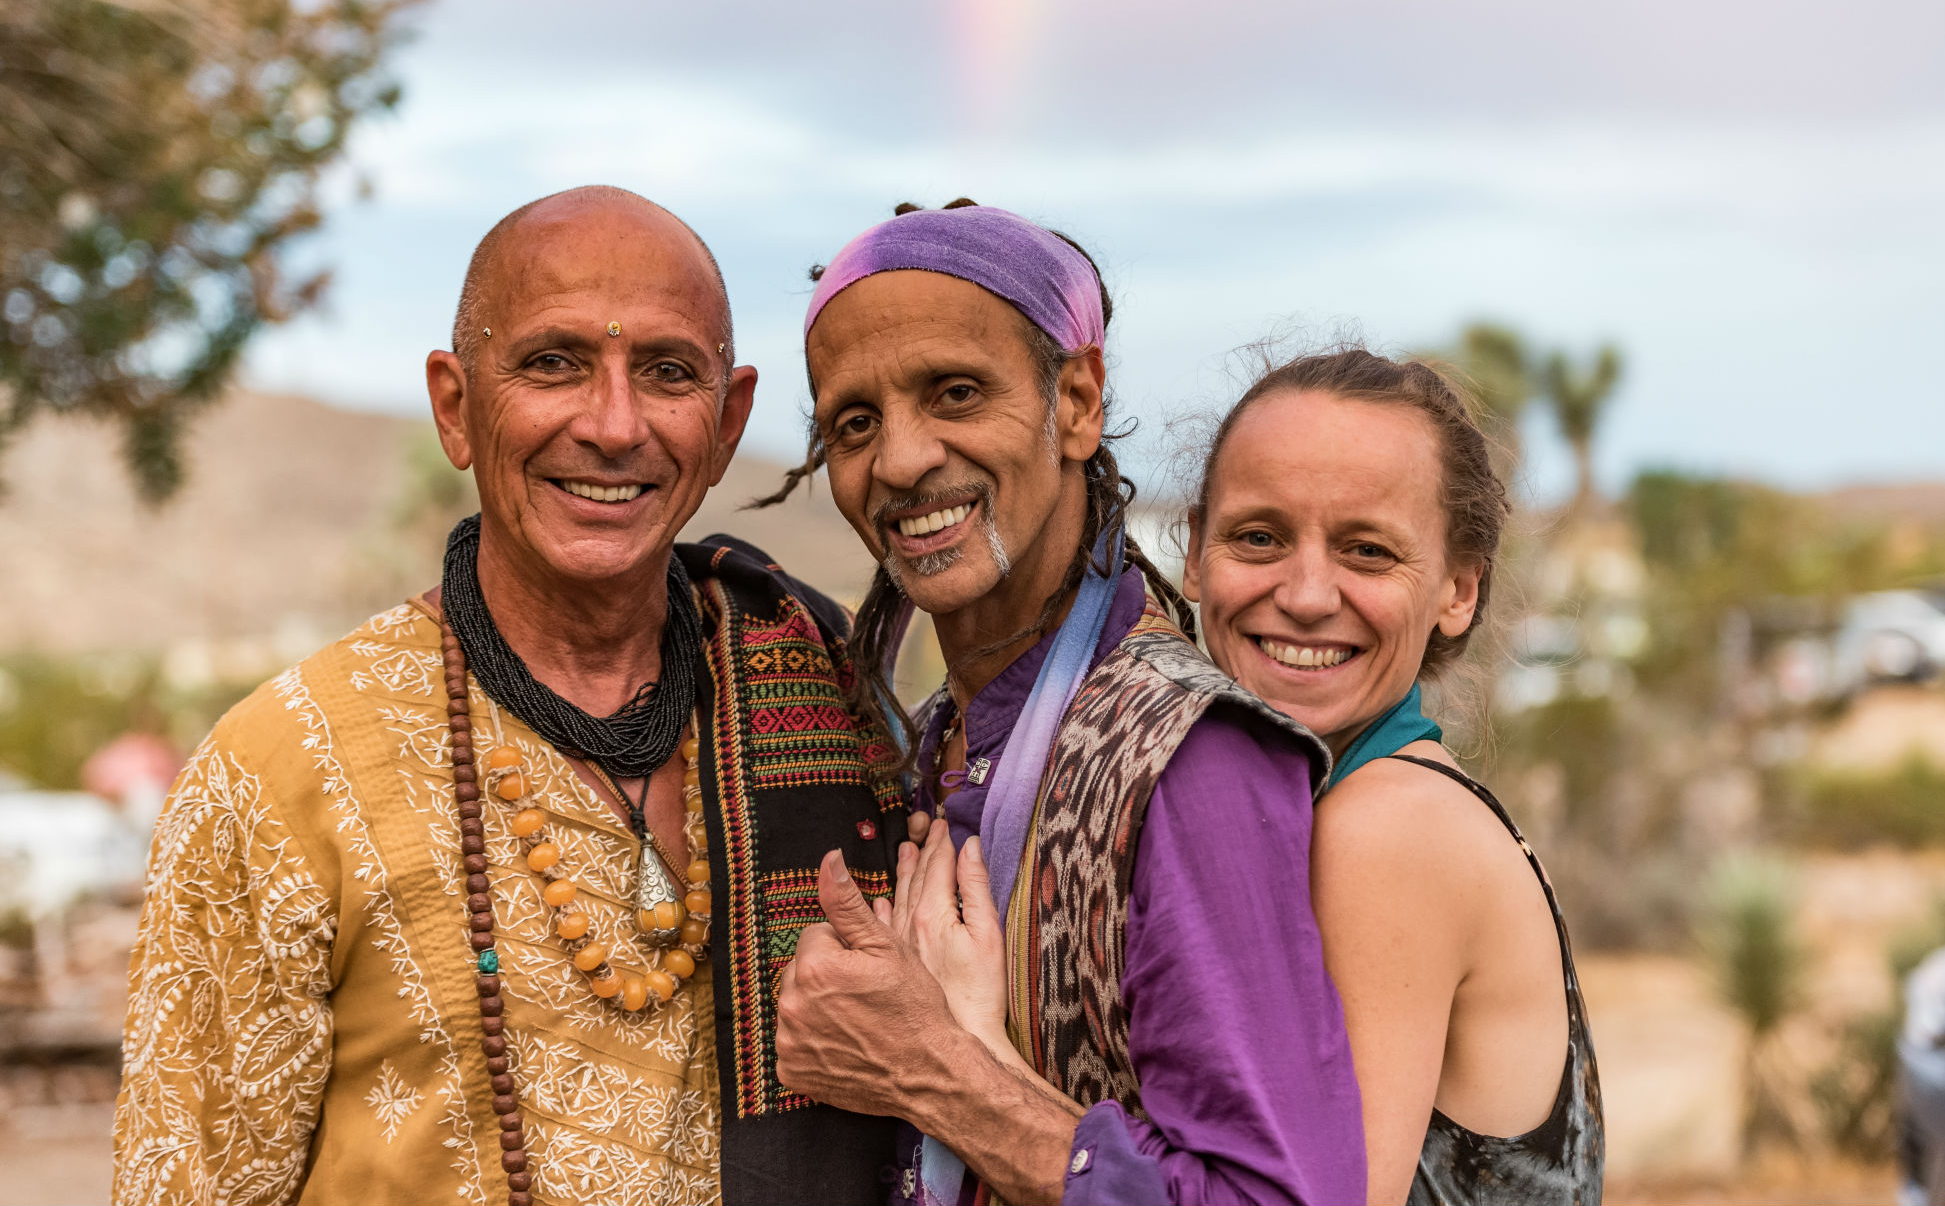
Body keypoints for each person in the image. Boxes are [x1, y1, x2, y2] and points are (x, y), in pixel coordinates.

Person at [112, 186, 909, 1206]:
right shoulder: (283, 768)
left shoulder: (825, 702)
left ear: (726, 422)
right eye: (552, 363)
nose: (613, 425)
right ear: (455, 406)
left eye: (667, 372)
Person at [761, 200, 1367, 1206]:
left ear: (1077, 401)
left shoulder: (1188, 755)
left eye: (955, 392)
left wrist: (931, 1070)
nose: (901, 460)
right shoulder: (939, 736)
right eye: (854, 424)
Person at [1180, 347, 1605, 1205]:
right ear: (1194, 551)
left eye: (1367, 551)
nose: (1306, 594)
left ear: (1459, 589)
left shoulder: (1388, 828)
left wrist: (973, 1082)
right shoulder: (1347, 798)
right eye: (1259, 537)